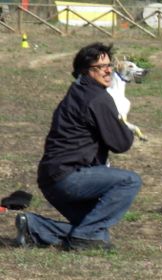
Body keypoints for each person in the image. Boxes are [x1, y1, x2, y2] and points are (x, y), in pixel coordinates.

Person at [15, 42, 142, 250]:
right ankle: (82, 237)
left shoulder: (77, 92)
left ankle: (33, 227)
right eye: (100, 67)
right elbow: (121, 143)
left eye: (109, 65)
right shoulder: (98, 98)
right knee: (129, 181)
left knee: (98, 235)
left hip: (50, 179)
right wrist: (125, 127)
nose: (108, 70)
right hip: (69, 178)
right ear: (85, 71)